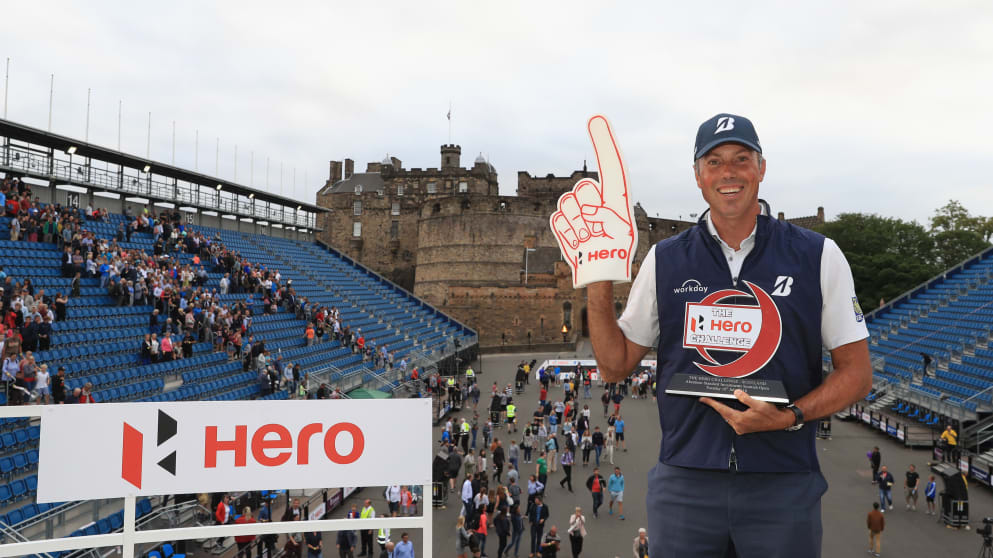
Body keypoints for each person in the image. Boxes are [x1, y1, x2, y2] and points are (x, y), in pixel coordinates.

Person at [573, 113, 872, 557]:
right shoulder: (665, 259)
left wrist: (789, 415)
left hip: (782, 478)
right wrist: (597, 274)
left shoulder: (818, 255)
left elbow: (857, 374)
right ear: (697, 175)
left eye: (740, 158)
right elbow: (615, 365)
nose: (728, 172)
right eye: (713, 161)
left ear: (761, 168)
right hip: (685, 481)